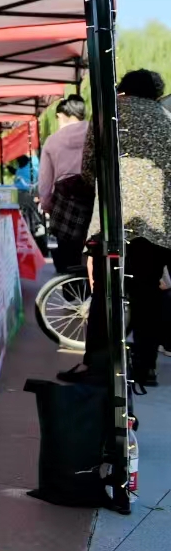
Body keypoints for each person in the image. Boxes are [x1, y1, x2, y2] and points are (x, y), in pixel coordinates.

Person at [76, 70, 171, 386]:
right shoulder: (167, 120)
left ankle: (98, 365)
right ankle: (146, 368)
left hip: (113, 222)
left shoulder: (108, 117)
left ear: (123, 90)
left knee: (105, 293)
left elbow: (88, 170)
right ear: (156, 92)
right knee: (148, 295)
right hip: (156, 226)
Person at [40, 94, 91, 270]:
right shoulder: (96, 133)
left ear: (62, 115)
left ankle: (71, 283)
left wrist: (47, 204)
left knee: (69, 254)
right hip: (95, 200)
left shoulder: (52, 141)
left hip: (65, 203)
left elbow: (45, 181)